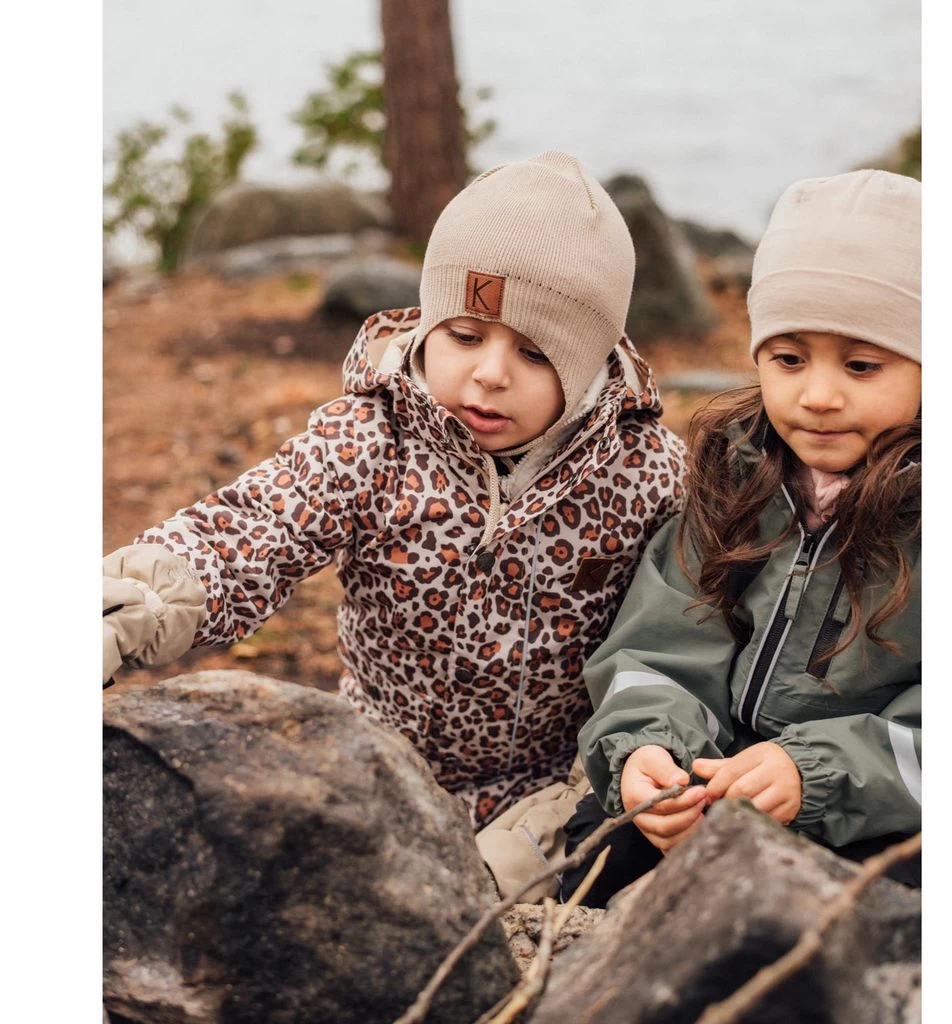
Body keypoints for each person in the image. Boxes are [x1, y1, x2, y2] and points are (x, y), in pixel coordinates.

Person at [102, 152, 686, 867]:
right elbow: (255, 529)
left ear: (589, 366)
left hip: (549, 792)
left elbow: (674, 636)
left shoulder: (643, 473)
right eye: (464, 336)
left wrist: (587, 791)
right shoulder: (374, 438)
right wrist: (134, 604)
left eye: (535, 355)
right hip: (379, 766)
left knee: (517, 889)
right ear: (430, 325)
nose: (489, 373)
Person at [561, 169, 922, 907]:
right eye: (789, 358)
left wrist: (814, 772)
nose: (818, 395)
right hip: (722, 781)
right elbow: (660, 644)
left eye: (861, 364)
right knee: (599, 850)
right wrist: (650, 751)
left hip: (881, 807)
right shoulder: (736, 482)